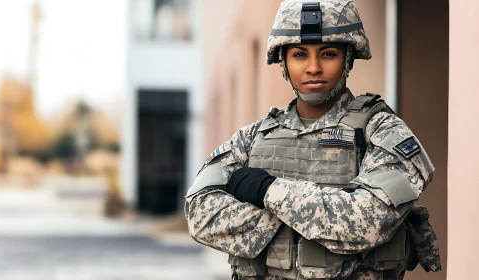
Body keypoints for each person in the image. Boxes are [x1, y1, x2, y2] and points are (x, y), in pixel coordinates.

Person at [185, 1, 441, 279]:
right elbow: (199, 212)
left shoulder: (381, 131)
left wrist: (268, 191)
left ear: (348, 58)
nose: (313, 68)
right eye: (299, 55)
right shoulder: (254, 137)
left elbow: (368, 223)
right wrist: (313, 226)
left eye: (328, 54)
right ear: (283, 61)